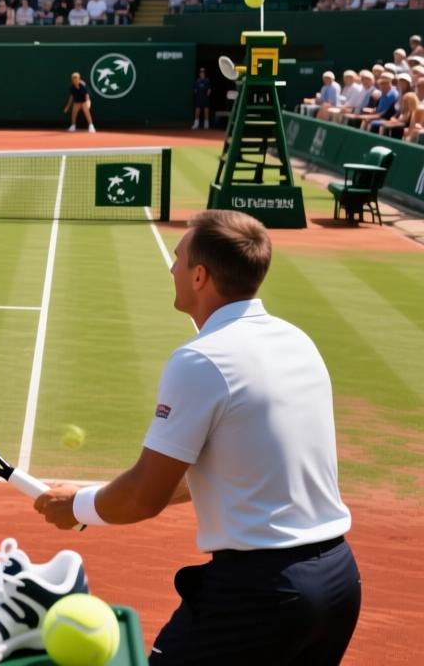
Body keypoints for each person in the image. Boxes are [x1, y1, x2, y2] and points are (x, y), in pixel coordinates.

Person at [35, 210, 360, 666]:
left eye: (178, 259)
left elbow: (145, 496)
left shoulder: (201, 360)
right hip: (338, 584)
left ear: (201, 276)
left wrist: (77, 507)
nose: (172, 269)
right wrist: (92, 498)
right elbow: (231, 470)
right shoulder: (297, 340)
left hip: (261, 594)